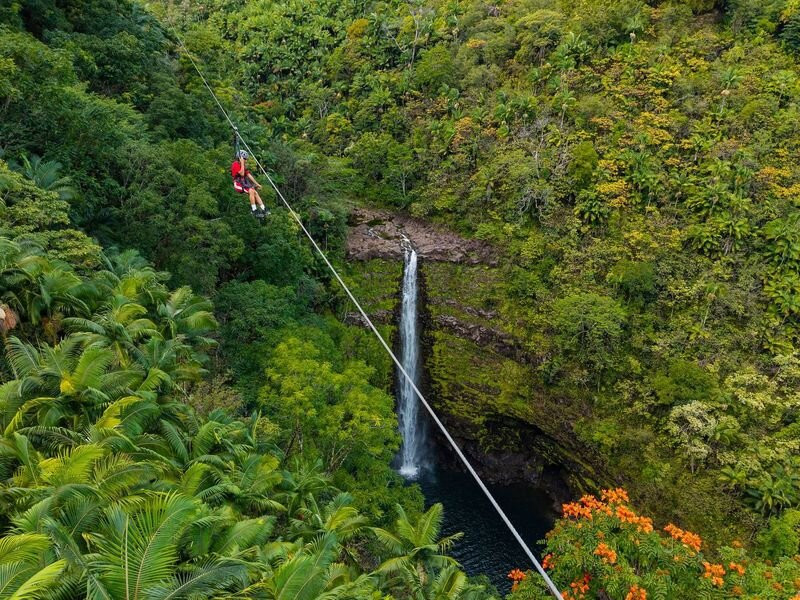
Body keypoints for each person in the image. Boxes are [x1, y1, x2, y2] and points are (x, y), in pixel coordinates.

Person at [231, 150, 269, 218]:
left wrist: (257, 184)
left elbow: (249, 175)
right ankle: (254, 210)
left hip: (243, 183)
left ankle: (263, 209)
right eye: (245, 159)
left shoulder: (243, 165)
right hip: (238, 184)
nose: (245, 161)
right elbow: (242, 174)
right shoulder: (235, 164)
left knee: (255, 192)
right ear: (241, 158)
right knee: (251, 190)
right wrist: (242, 163)